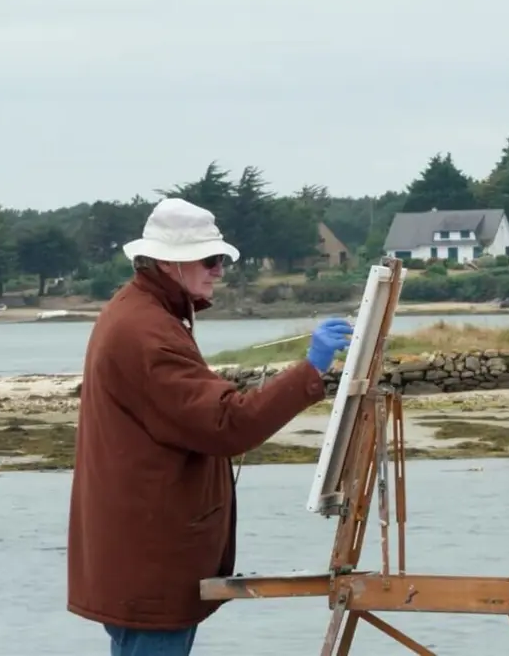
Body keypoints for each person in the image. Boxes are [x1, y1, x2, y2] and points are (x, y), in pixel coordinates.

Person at [66, 197, 353, 656]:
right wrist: (309, 370)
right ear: (167, 262)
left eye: (221, 259)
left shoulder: (143, 312)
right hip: (149, 557)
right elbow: (228, 424)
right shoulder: (146, 331)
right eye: (210, 259)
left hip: (140, 552)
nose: (220, 269)